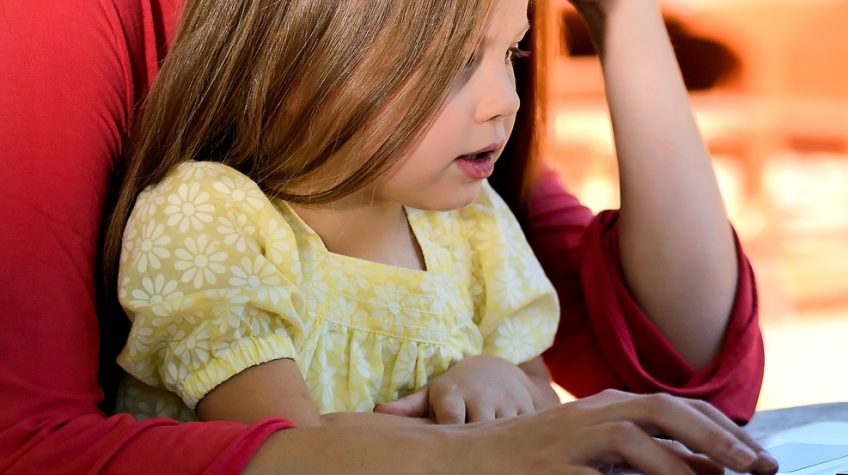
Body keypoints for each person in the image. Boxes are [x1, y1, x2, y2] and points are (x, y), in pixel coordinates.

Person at [0, 0, 773, 473]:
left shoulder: (461, 214)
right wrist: (473, 452)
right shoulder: (210, 217)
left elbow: (689, 376)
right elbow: (281, 441)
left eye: (514, 53)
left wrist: (624, 10)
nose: (504, 100)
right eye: (455, 64)